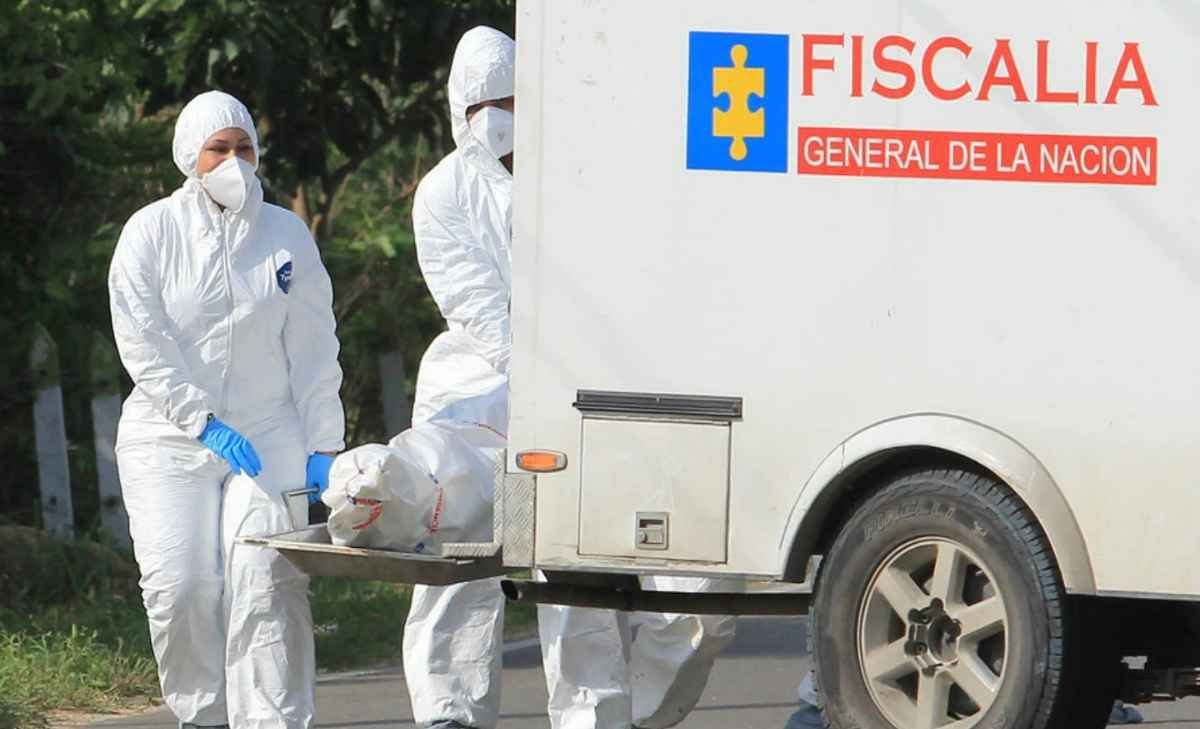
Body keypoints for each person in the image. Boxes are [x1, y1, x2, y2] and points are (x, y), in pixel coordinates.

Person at [402, 25, 736, 729]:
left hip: (588, 389)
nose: (499, 117)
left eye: (512, 100)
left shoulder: (575, 173)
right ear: (461, 110)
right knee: (465, 554)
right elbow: (479, 310)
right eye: (484, 105)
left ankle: (608, 712)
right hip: (480, 396)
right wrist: (546, 388)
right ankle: (449, 710)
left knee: (592, 563)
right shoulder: (443, 194)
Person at [108, 90, 345, 729]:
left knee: (268, 580)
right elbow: (142, 341)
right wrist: (202, 421)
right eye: (219, 149)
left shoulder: (285, 234)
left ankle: (271, 719)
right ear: (191, 155)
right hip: (168, 435)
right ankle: (204, 714)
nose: (234, 161)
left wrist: (324, 442)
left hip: (269, 430)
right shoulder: (150, 233)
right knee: (180, 588)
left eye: (245, 148)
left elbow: (314, 344)